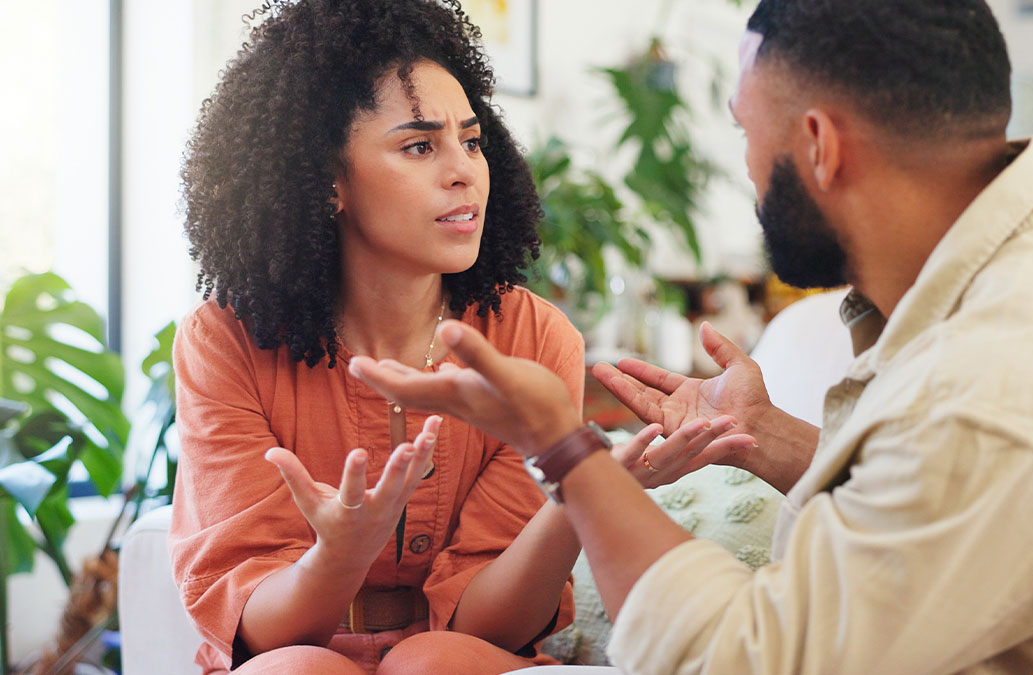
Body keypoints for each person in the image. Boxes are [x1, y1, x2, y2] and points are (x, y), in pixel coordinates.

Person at [349, 0, 1033, 673]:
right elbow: (931, 504)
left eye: (744, 130)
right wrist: (767, 438)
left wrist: (568, 449)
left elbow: (744, 657)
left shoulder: (996, 380)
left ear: (821, 146)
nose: (748, 168)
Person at [168, 1, 752, 674]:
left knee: (430, 663)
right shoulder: (226, 339)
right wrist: (340, 552)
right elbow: (269, 635)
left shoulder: (532, 336)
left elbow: (489, 625)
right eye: (420, 146)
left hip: (457, 654)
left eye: (471, 142)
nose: (464, 171)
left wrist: (579, 491)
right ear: (327, 182)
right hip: (294, 652)